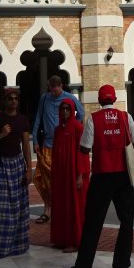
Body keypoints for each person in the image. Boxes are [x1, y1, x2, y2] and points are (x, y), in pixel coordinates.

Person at [69, 85, 134, 268]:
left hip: (101, 176)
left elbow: (84, 148)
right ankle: (121, 267)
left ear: (100, 101)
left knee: (93, 222)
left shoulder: (93, 119)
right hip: (123, 176)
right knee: (127, 221)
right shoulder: (126, 117)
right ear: (114, 99)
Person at [0, 88, 32, 259]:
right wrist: (1, 135)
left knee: (18, 207)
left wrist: (28, 169)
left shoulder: (23, 120)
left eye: (16, 98)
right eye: (10, 98)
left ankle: (18, 246)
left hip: (17, 165)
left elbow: (25, 145)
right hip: (0, 165)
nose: (13, 101)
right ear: (4, 100)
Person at [31, 75, 84, 224]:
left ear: (62, 86)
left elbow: (80, 113)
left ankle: (61, 211)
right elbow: (38, 118)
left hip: (64, 146)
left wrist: (71, 129)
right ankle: (47, 210)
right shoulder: (45, 98)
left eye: (57, 91)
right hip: (47, 144)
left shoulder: (69, 99)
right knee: (44, 178)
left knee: (62, 179)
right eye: (52, 91)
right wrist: (35, 139)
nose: (54, 93)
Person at [50, 98, 89, 252]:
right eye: (62, 108)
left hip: (73, 174)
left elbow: (83, 154)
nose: (65, 111)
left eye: (68, 108)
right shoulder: (58, 129)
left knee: (74, 207)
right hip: (61, 175)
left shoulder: (78, 128)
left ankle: (75, 240)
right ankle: (62, 238)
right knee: (61, 205)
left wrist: (80, 175)